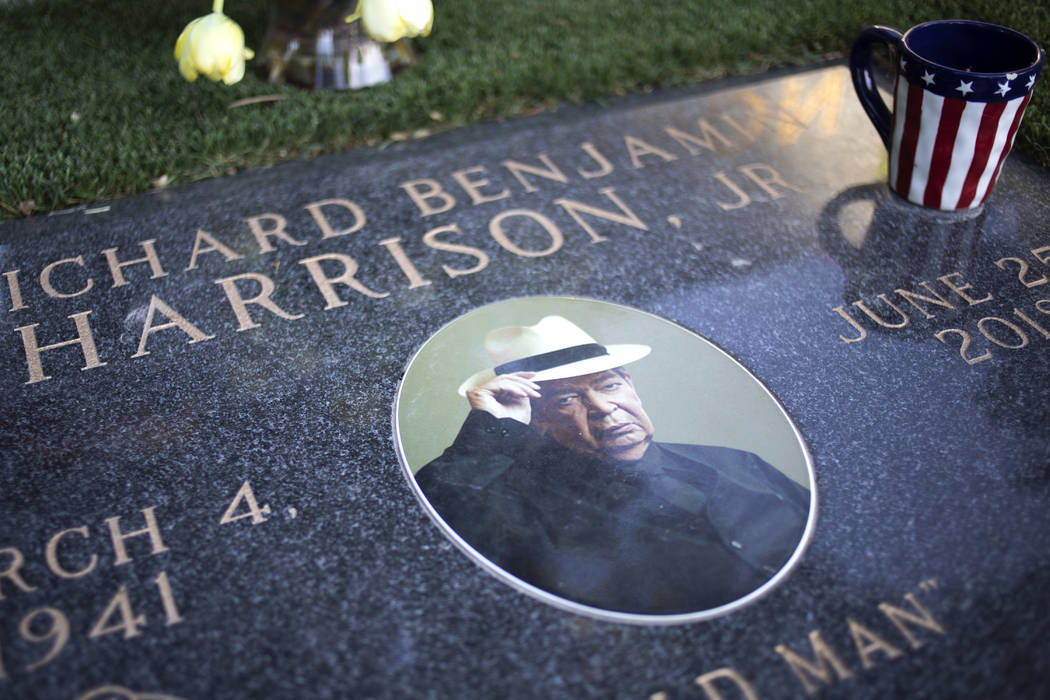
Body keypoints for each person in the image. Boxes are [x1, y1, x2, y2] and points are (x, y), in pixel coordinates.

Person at [414, 315, 809, 615]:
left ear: (631, 385)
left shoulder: (737, 463)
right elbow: (421, 527)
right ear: (538, 420)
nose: (603, 409)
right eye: (567, 399)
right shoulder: (515, 510)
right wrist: (491, 431)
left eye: (609, 385)